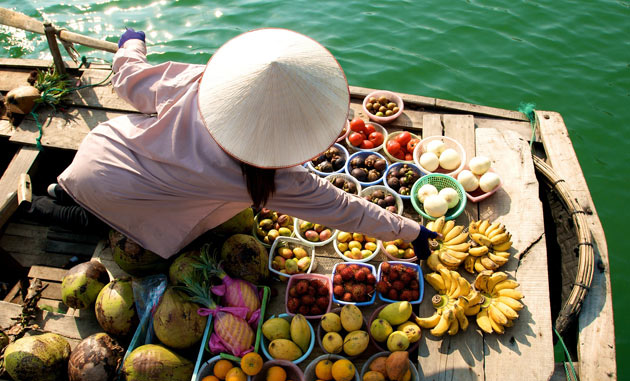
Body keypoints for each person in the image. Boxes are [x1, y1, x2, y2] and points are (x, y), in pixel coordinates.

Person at [27, 28, 439, 261]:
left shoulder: (199, 82)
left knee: (85, 186)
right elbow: (344, 211)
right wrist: (410, 231)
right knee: (107, 221)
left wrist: (131, 43)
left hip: (99, 152)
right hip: (125, 196)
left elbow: (128, 79)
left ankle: (57, 190)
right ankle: (43, 208)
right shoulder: (275, 182)